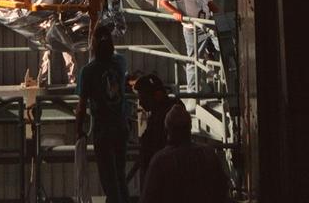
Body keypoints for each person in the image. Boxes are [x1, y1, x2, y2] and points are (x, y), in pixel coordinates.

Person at [75, 24, 130, 203]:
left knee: (108, 178)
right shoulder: (120, 63)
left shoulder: (88, 71)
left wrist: (79, 129)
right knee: (120, 175)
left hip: (103, 129)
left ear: (93, 44)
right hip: (121, 125)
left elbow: (81, 105)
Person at [139, 102, 230, 203]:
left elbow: (148, 198)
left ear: (167, 130)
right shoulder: (208, 154)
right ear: (190, 127)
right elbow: (222, 189)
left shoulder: (160, 161)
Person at [159, 0, 218, 92]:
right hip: (193, 28)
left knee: (221, 48)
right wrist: (175, 12)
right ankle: (193, 91)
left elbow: (208, 1)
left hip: (208, 23)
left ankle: (216, 84)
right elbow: (162, 0)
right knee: (194, 58)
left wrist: (219, 14)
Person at [134, 74, 180, 187]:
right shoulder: (161, 112)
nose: (141, 103)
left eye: (144, 98)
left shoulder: (169, 113)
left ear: (157, 95)